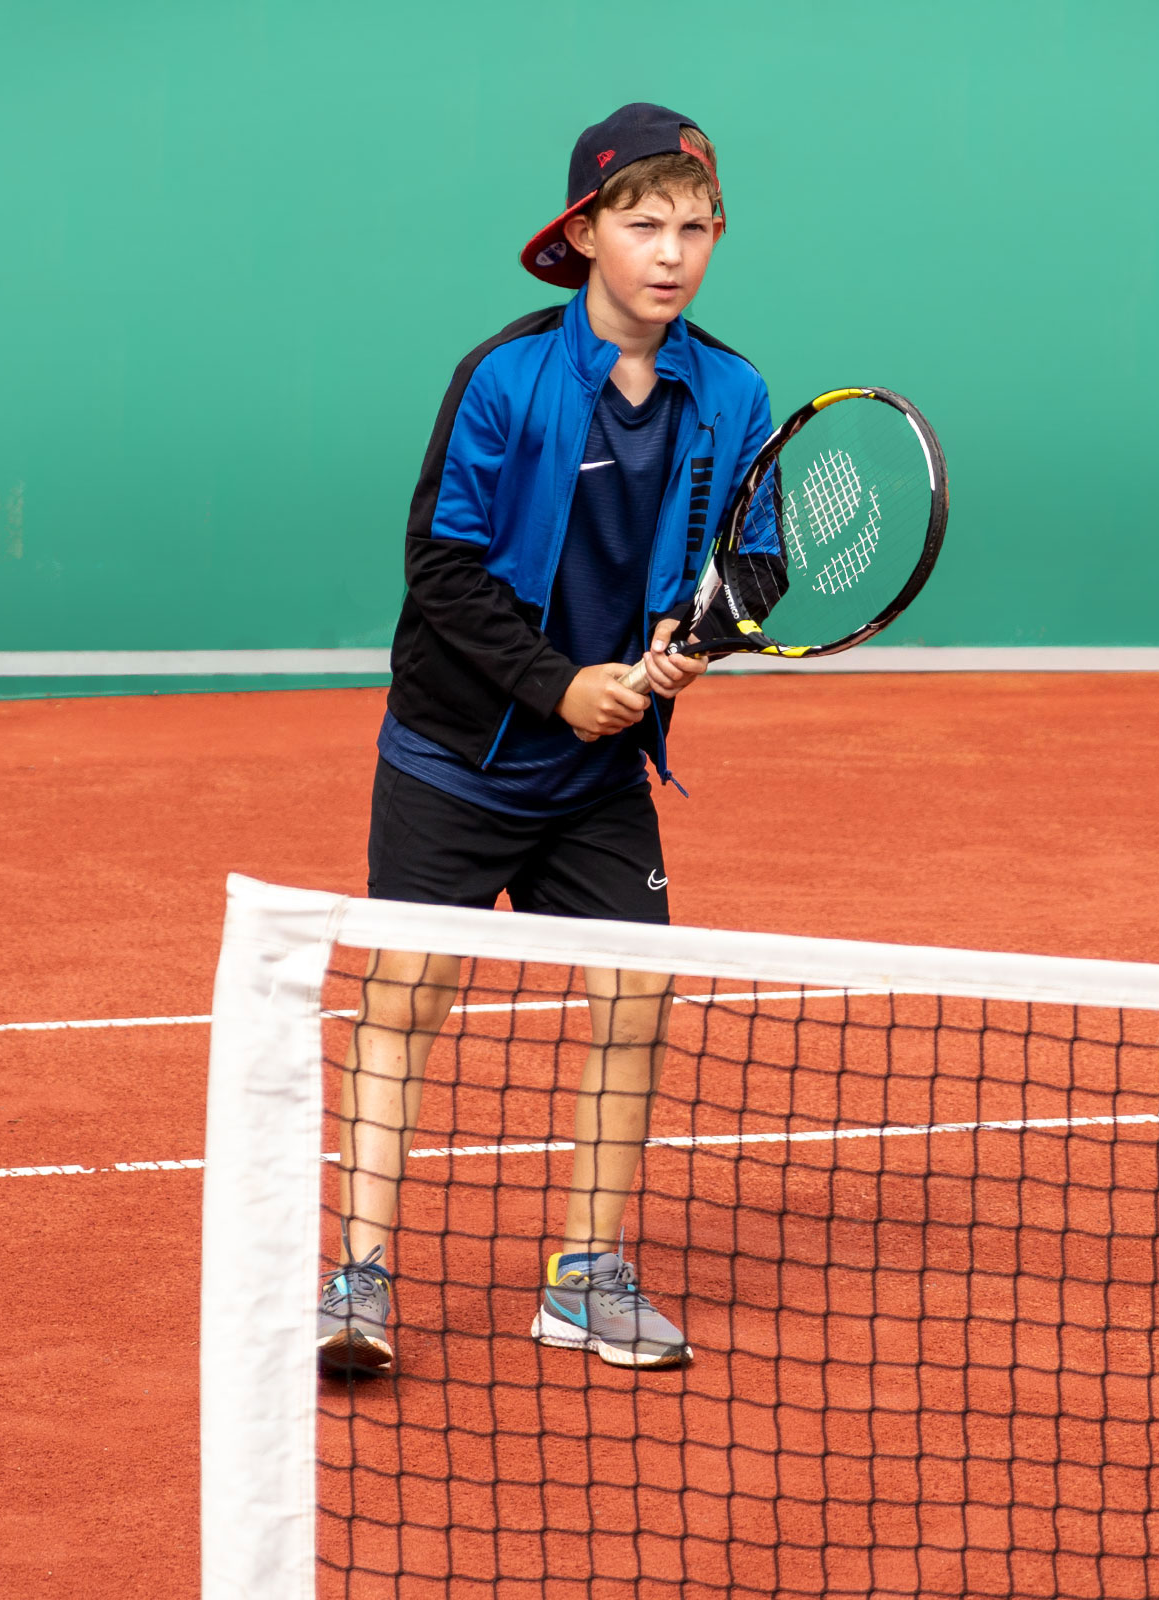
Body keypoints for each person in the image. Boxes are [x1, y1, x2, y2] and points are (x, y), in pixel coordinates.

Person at [314, 103, 775, 1375]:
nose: (671, 251)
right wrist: (560, 682)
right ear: (584, 232)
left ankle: (586, 1274)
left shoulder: (734, 392)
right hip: (456, 758)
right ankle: (356, 1279)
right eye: (642, 222)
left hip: (596, 775)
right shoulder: (505, 377)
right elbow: (443, 569)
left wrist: (701, 639)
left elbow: (759, 559)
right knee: (407, 1002)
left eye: (694, 226)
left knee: (637, 994)